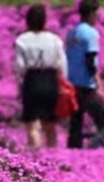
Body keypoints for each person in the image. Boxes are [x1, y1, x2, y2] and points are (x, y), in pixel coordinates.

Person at [14, 4, 68, 149]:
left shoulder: (22, 40)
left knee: (32, 125)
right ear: (45, 20)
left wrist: (20, 84)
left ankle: (36, 159)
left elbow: (20, 67)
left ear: (28, 20)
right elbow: (62, 64)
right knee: (50, 125)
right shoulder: (55, 39)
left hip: (32, 80)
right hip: (51, 81)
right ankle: (53, 158)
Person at [65, 0, 104, 149]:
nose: (98, 16)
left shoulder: (71, 33)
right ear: (91, 13)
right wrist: (99, 85)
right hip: (87, 85)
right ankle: (89, 151)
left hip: (72, 84)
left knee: (75, 126)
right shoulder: (91, 33)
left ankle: (73, 156)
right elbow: (90, 61)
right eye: (97, 13)